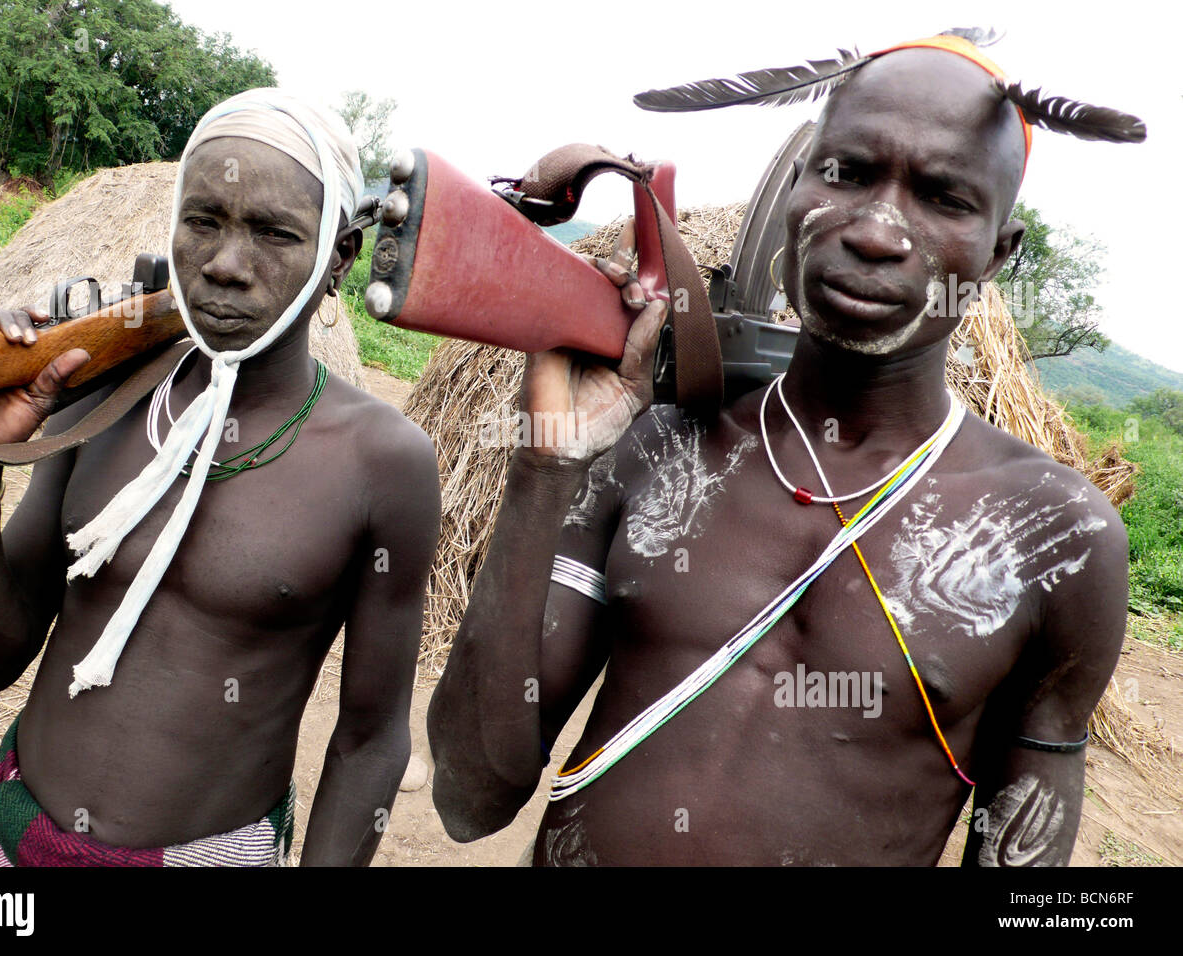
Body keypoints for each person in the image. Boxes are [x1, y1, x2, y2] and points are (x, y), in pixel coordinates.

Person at [428, 33, 1142, 865]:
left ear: (997, 251)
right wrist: (545, 468)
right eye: (846, 172)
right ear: (795, 187)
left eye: (944, 197)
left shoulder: (1054, 542)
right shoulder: (658, 452)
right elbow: (471, 795)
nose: (877, 232)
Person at [0, 88, 441, 866]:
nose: (225, 265)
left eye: (274, 233)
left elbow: (372, 741)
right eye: (202, 220)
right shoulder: (106, 390)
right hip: (18, 835)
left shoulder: (383, 460)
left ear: (338, 257)